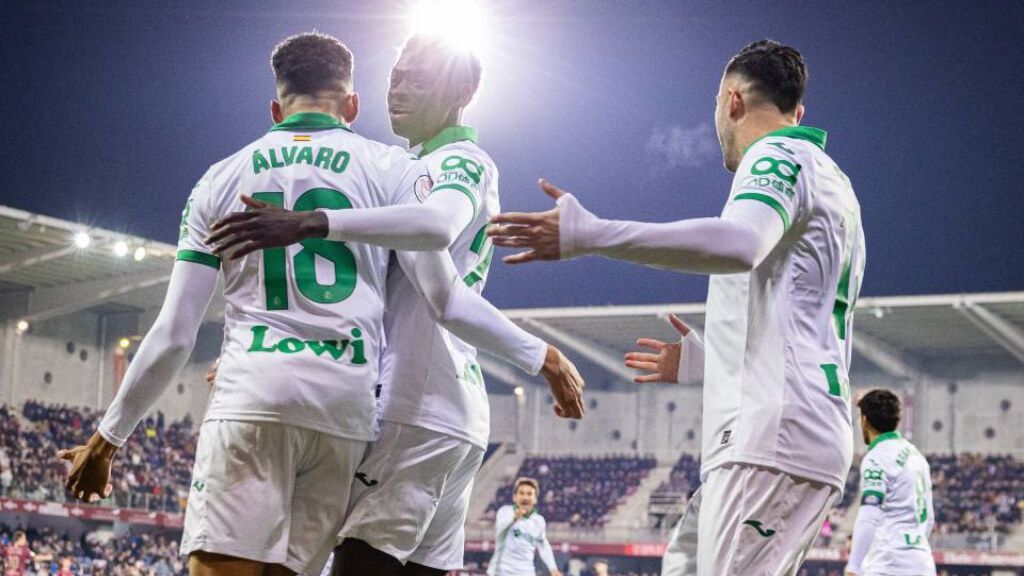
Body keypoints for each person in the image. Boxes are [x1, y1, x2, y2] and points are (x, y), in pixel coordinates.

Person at [59, 31, 581, 576]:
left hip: (278, 394)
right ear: (352, 104)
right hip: (352, 408)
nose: (397, 90)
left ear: (273, 107)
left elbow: (174, 332)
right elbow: (440, 291)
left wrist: (108, 437)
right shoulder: (395, 172)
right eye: (395, 77)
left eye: (414, 78)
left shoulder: (221, 179)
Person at [488, 39, 866, 575]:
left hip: (772, 438)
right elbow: (800, 319)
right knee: (683, 564)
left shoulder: (778, 155)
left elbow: (739, 244)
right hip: (781, 430)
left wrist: (593, 234)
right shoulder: (833, 181)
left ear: (731, 100)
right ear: (797, 110)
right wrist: (710, 364)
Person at [845, 390, 935, 576]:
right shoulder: (916, 456)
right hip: (922, 563)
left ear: (864, 421)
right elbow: (929, 519)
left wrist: (853, 566)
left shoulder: (877, 458)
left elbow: (869, 515)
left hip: (889, 564)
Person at [488, 478, 560, 576]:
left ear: (535, 499)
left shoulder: (539, 520)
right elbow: (500, 530)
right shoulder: (504, 512)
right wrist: (514, 519)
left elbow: (543, 545)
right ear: (514, 497)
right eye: (521, 493)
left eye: (529, 494)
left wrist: (553, 569)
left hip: (526, 572)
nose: (525, 497)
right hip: (501, 571)